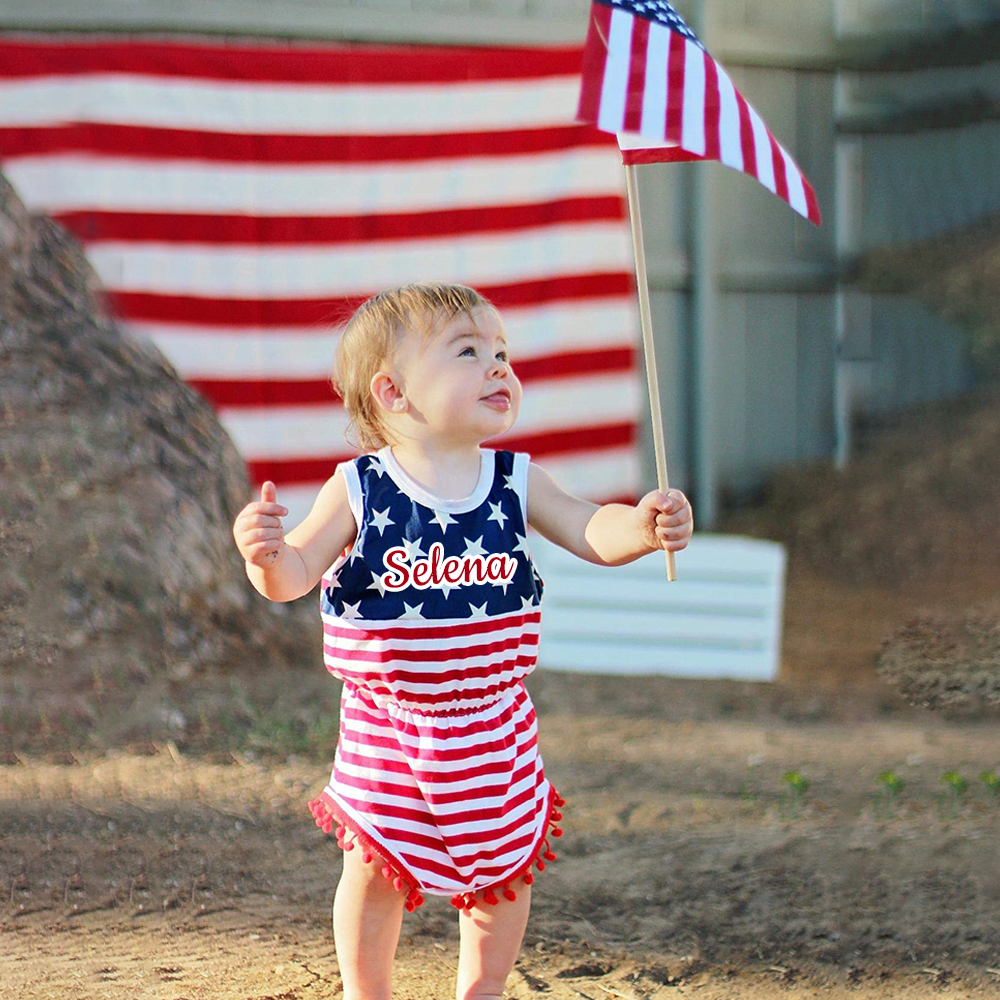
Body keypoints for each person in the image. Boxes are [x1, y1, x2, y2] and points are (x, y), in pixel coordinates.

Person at [232, 282, 694, 1000]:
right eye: (470, 352)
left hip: (494, 720)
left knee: (504, 877)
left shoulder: (513, 480)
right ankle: (367, 990)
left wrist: (638, 526)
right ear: (393, 392)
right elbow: (294, 575)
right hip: (389, 722)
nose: (499, 367)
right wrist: (264, 556)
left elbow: (585, 528)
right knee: (375, 870)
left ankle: (482, 988)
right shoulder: (359, 489)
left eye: (504, 353)